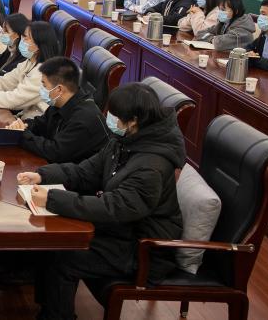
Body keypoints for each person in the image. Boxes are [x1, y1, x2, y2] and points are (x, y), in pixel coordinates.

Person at [19, 83, 185, 320]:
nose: (108, 118)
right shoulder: (124, 140)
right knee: (54, 243)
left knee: (63, 257)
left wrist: (53, 199)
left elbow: (114, 207)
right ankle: (49, 311)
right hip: (120, 233)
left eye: (114, 115)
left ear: (133, 121)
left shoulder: (152, 166)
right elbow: (86, 171)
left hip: (142, 249)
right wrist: (43, 175)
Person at [7, 57, 109, 164]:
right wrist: (21, 126)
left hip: (78, 171)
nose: (41, 89)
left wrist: (22, 135)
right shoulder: (60, 102)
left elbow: (55, 153)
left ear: (59, 89)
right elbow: (40, 125)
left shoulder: (84, 119)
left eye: (44, 85)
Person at [0, 21, 59, 119]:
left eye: (26, 38)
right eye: (22, 36)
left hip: (34, 122)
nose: (22, 40)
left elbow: (16, 99)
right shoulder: (29, 62)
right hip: (22, 117)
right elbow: (5, 82)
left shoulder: (42, 73)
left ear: (39, 44)